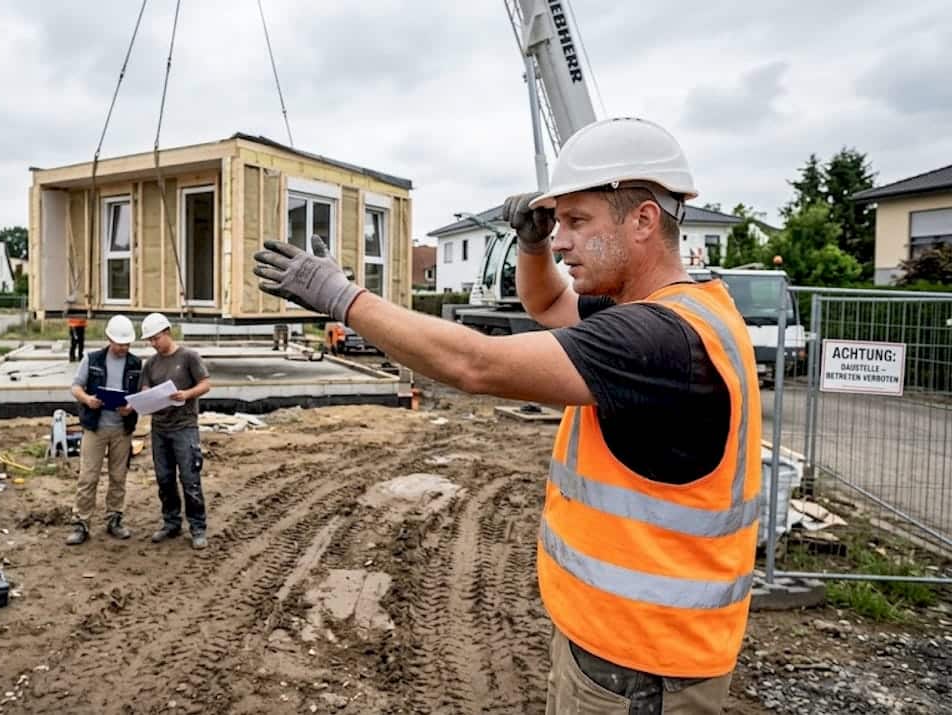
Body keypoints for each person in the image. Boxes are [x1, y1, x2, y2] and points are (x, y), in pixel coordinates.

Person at [253, 117, 760, 714]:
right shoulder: (681, 309)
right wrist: (533, 244)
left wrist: (344, 298)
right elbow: (546, 301)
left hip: (642, 669)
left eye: (578, 221)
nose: (564, 239)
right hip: (623, 652)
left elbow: (478, 365)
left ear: (644, 220)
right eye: (559, 223)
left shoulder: (656, 338)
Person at [66, 315, 142, 545]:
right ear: (109, 338)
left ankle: (114, 519)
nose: (123, 348)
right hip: (95, 427)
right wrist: (88, 400)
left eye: (127, 344)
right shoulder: (92, 359)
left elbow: (140, 393)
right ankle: (81, 522)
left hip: (122, 429)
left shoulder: (135, 363)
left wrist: (132, 406)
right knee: (88, 477)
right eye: (120, 344)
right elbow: (76, 387)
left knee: (118, 477)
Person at [139, 312, 212, 550]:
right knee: (165, 478)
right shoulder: (151, 364)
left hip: (184, 427)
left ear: (167, 333)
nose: (153, 344)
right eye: (149, 340)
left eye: (156, 338)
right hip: (160, 428)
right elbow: (145, 388)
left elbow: (205, 384)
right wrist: (148, 398)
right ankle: (171, 522)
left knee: (190, 479)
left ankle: (198, 527)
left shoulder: (188, 357)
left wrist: (186, 394)